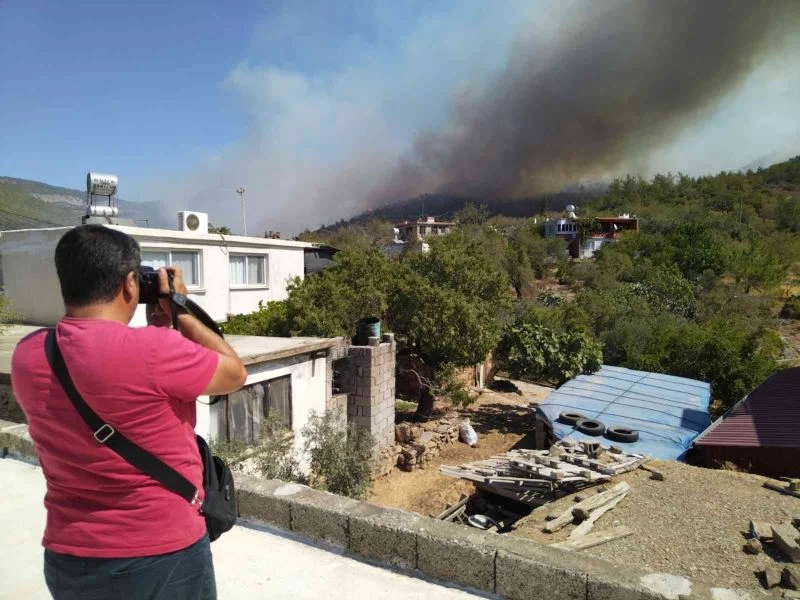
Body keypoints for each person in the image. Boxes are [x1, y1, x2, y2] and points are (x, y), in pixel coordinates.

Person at [11, 225, 247, 600]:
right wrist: (181, 311)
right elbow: (234, 373)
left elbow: (104, 370)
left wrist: (158, 329)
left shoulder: (28, 354)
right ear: (129, 285)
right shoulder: (157, 351)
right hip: (161, 554)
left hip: (70, 558)